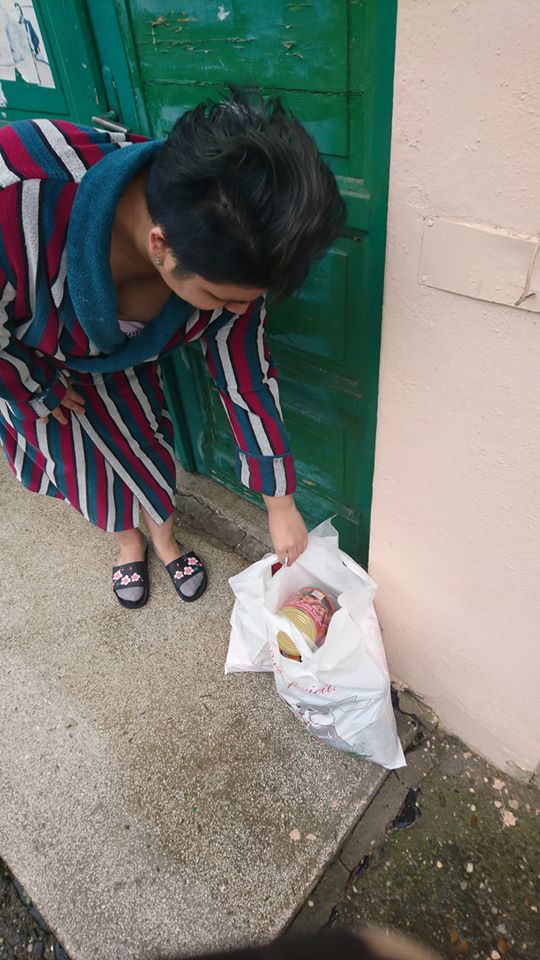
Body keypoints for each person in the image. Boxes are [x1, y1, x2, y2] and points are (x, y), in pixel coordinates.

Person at [0, 89, 345, 609]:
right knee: (77, 464)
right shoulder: (16, 188)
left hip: (122, 367)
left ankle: (165, 540)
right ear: (159, 245)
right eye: (220, 298)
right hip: (30, 360)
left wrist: (280, 503)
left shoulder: (234, 248)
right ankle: (128, 544)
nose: (237, 312)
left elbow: (246, 377)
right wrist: (31, 386)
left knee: (146, 444)